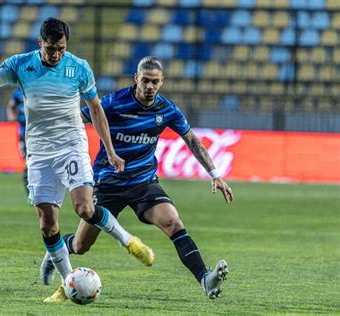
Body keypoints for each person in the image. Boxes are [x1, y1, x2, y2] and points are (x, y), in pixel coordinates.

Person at [0, 18, 154, 302]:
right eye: (50, 48)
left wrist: (110, 150)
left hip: (71, 145)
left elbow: (96, 109)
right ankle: (67, 282)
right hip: (39, 153)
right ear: (40, 43)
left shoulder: (79, 67)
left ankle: (129, 241)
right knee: (48, 225)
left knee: (84, 207)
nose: (55, 54)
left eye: (60, 48)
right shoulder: (20, 65)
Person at [41, 56, 234, 300]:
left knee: (173, 223)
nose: (149, 86)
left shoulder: (167, 109)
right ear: (136, 78)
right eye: (145, 81)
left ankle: (205, 279)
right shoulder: (114, 103)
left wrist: (215, 174)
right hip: (108, 183)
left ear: (162, 82)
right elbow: (79, 119)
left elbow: (192, 140)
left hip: (144, 183)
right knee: (81, 246)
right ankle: (56, 251)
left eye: (155, 82)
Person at [6, 87, 28, 194]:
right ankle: (30, 190)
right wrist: (11, 115)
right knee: (28, 162)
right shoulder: (18, 92)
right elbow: (11, 105)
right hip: (23, 132)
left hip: (39, 132)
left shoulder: (36, 86)